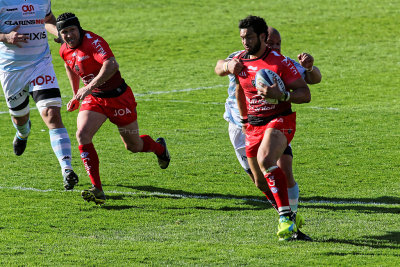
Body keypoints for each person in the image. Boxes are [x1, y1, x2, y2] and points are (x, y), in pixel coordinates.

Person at [215, 27, 321, 240]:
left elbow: (313, 80)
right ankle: (289, 218)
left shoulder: (280, 61)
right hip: (241, 125)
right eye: (270, 43)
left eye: (277, 44)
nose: (274, 47)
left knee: (282, 169)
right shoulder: (240, 58)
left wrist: (309, 69)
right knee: (260, 181)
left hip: (274, 123)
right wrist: (228, 66)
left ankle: (289, 222)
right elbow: (220, 68)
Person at [56, 12, 171, 205]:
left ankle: (159, 148)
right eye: (64, 32)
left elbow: (111, 64)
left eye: (72, 30)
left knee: (133, 146)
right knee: (82, 134)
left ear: (79, 28)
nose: (69, 35)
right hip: (95, 99)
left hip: (119, 98)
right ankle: (98, 189)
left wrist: (87, 87)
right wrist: (77, 94)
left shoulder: (93, 42)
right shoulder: (64, 49)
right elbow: (69, 65)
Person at [0, 0, 79, 190]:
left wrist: (59, 33)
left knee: (52, 113)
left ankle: (66, 169)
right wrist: (6, 37)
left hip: (40, 65)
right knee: (20, 119)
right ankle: (22, 133)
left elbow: (48, 18)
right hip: (12, 70)